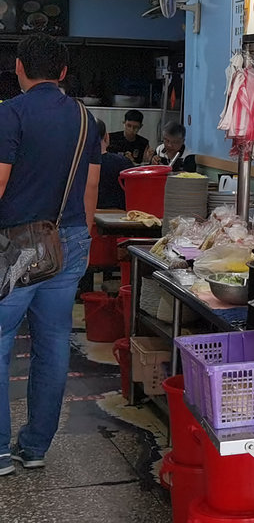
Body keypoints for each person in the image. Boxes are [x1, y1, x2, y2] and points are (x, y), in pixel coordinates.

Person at [0, 33, 100, 475]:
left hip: (13, 245)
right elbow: (92, 188)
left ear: (19, 67)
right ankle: (36, 446)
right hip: (70, 238)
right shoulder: (86, 118)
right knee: (54, 343)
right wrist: (83, 239)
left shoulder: (10, 114)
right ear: (62, 73)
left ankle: (0, 451)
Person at [95, 120, 133, 210]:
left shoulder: (74, 165)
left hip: (83, 219)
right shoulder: (124, 164)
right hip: (118, 220)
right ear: (107, 137)